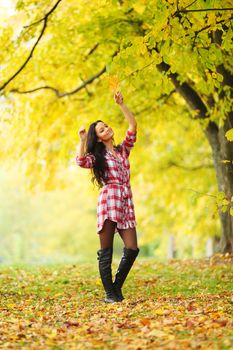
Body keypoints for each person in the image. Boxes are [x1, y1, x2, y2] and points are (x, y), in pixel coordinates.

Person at [76, 91, 140, 303]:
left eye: (106, 125)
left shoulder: (122, 151)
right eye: (102, 129)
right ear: (100, 138)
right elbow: (80, 161)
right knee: (106, 250)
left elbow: (133, 127)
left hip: (125, 200)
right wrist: (84, 140)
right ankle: (110, 294)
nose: (107, 129)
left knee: (132, 248)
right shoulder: (98, 157)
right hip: (108, 200)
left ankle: (114, 288)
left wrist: (122, 105)